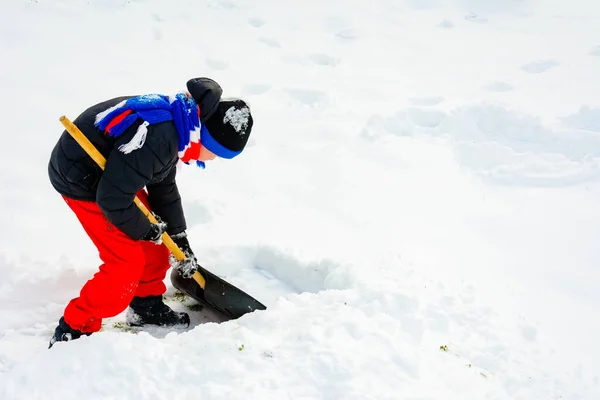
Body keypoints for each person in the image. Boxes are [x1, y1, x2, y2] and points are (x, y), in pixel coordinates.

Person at [47, 77, 254, 348]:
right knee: (125, 264)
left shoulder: (179, 124)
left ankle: (145, 306)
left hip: (114, 177)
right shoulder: (159, 136)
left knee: (157, 243)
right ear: (207, 138)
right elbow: (112, 199)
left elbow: (163, 187)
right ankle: (74, 327)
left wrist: (178, 236)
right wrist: (146, 230)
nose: (213, 160)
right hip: (83, 180)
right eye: (216, 153)